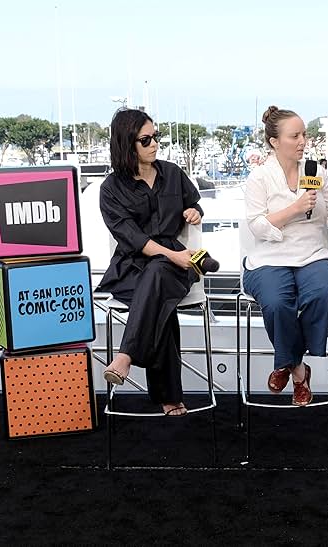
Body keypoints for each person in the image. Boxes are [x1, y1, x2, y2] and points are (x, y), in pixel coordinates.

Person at [243, 106, 328, 406]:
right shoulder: (259, 177)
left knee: (327, 296)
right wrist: (294, 208)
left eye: (304, 134)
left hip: (312, 254)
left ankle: (288, 360)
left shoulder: (316, 172)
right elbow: (256, 225)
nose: (303, 141)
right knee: (278, 303)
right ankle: (298, 372)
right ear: (274, 142)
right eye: (295, 136)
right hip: (270, 257)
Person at [98, 108, 207, 416]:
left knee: (159, 276)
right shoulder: (110, 189)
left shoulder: (172, 173)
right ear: (126, 144)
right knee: (161, 303)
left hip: (175, 267)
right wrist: (173, 255)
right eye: (145, 140)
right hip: (132, 268)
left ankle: (125, 357)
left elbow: (194, 201)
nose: (154, 144)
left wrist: (195, 211)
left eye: (156, 137)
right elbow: (132, 238)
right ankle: (169, 396)